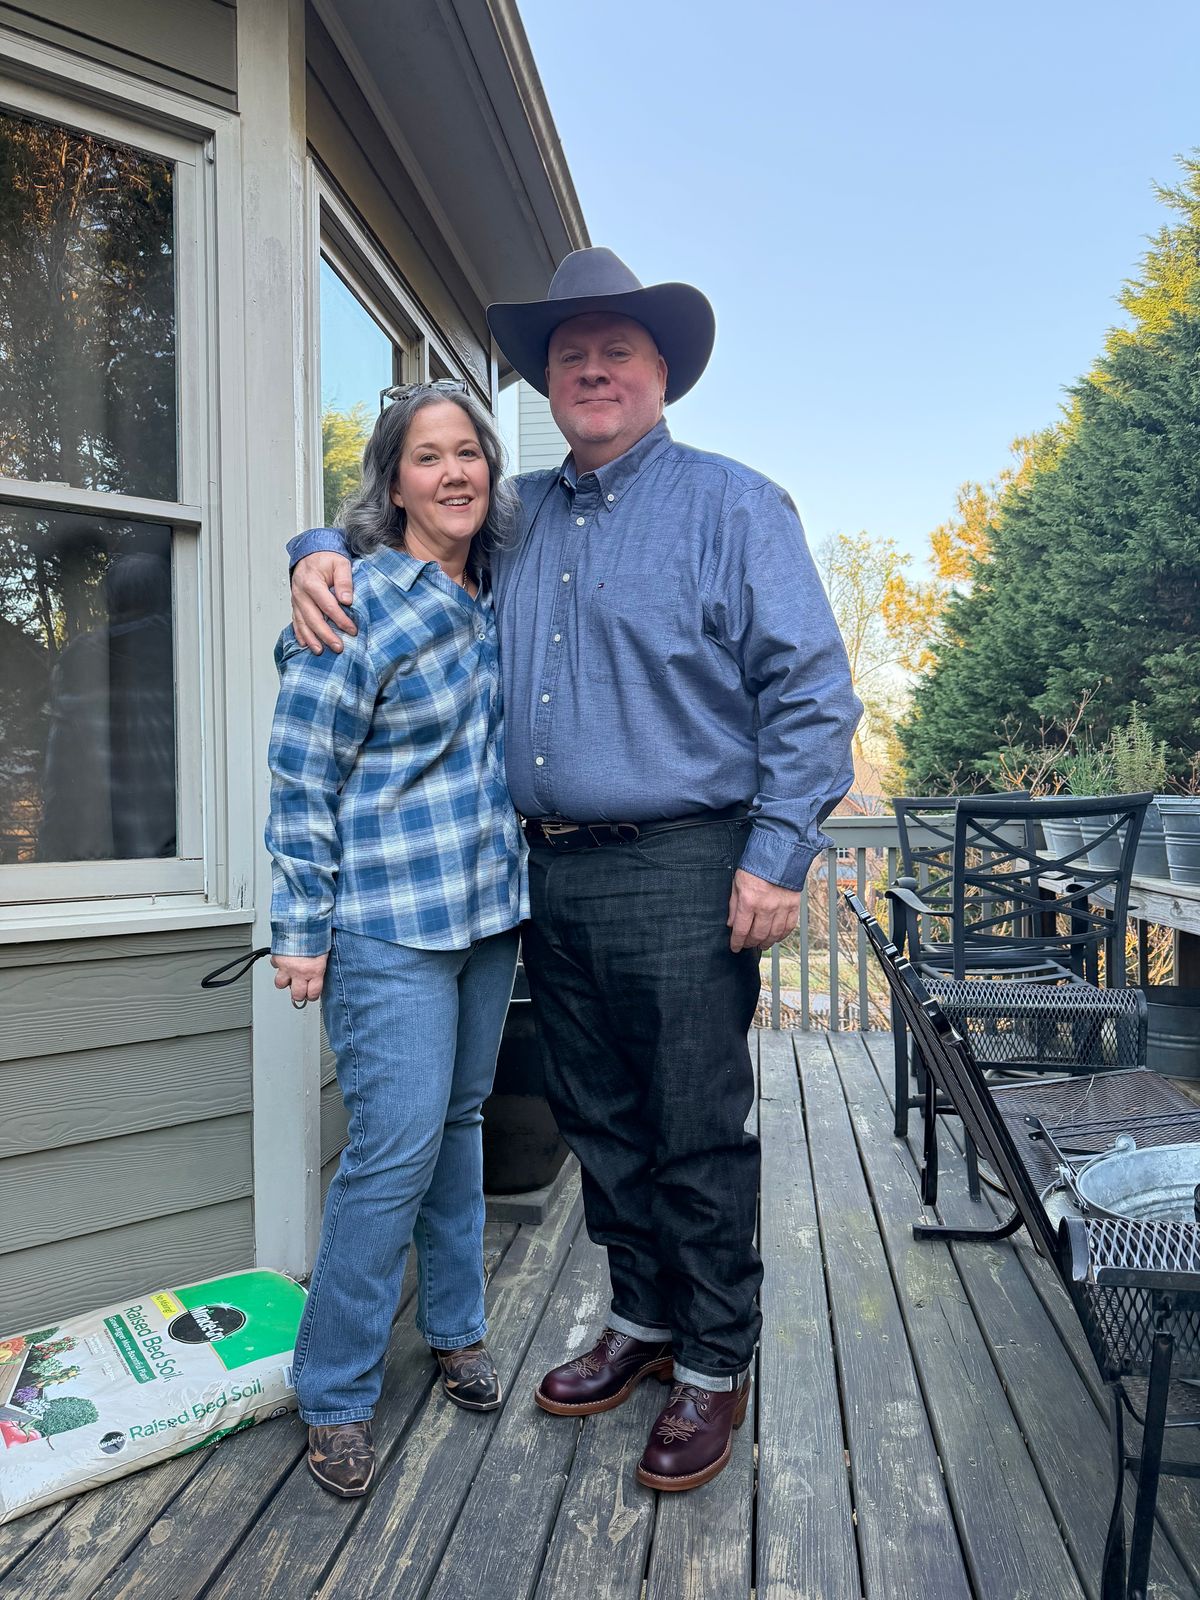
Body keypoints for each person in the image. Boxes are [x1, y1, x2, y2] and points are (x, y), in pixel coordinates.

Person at [289, 248, 861, 1493]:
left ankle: (714, 1363)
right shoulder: (521, 511)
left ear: (662, 372)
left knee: (694, 1127)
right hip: (542, 874)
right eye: (569, 355)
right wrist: (308, 547)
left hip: (688, 864)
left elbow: (813, 694)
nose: (593, 369)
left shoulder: (734, 506)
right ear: (546, 382)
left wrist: (777, 853)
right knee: (600, 1121)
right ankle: (643, 1323)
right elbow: (394, 525)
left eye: (618, 350)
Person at [267, 382, 525, 1500]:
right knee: (394, 1148)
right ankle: (332, 1388)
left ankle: (457, 1330)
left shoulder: (505, 589)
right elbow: (300, 774)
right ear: (395, 481)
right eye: (429, 458)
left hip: (487, 919)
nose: (454, 472)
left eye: (469, 452)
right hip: (385, 923)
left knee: (460, 1127)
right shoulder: (357, 600)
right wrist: (300, 928)